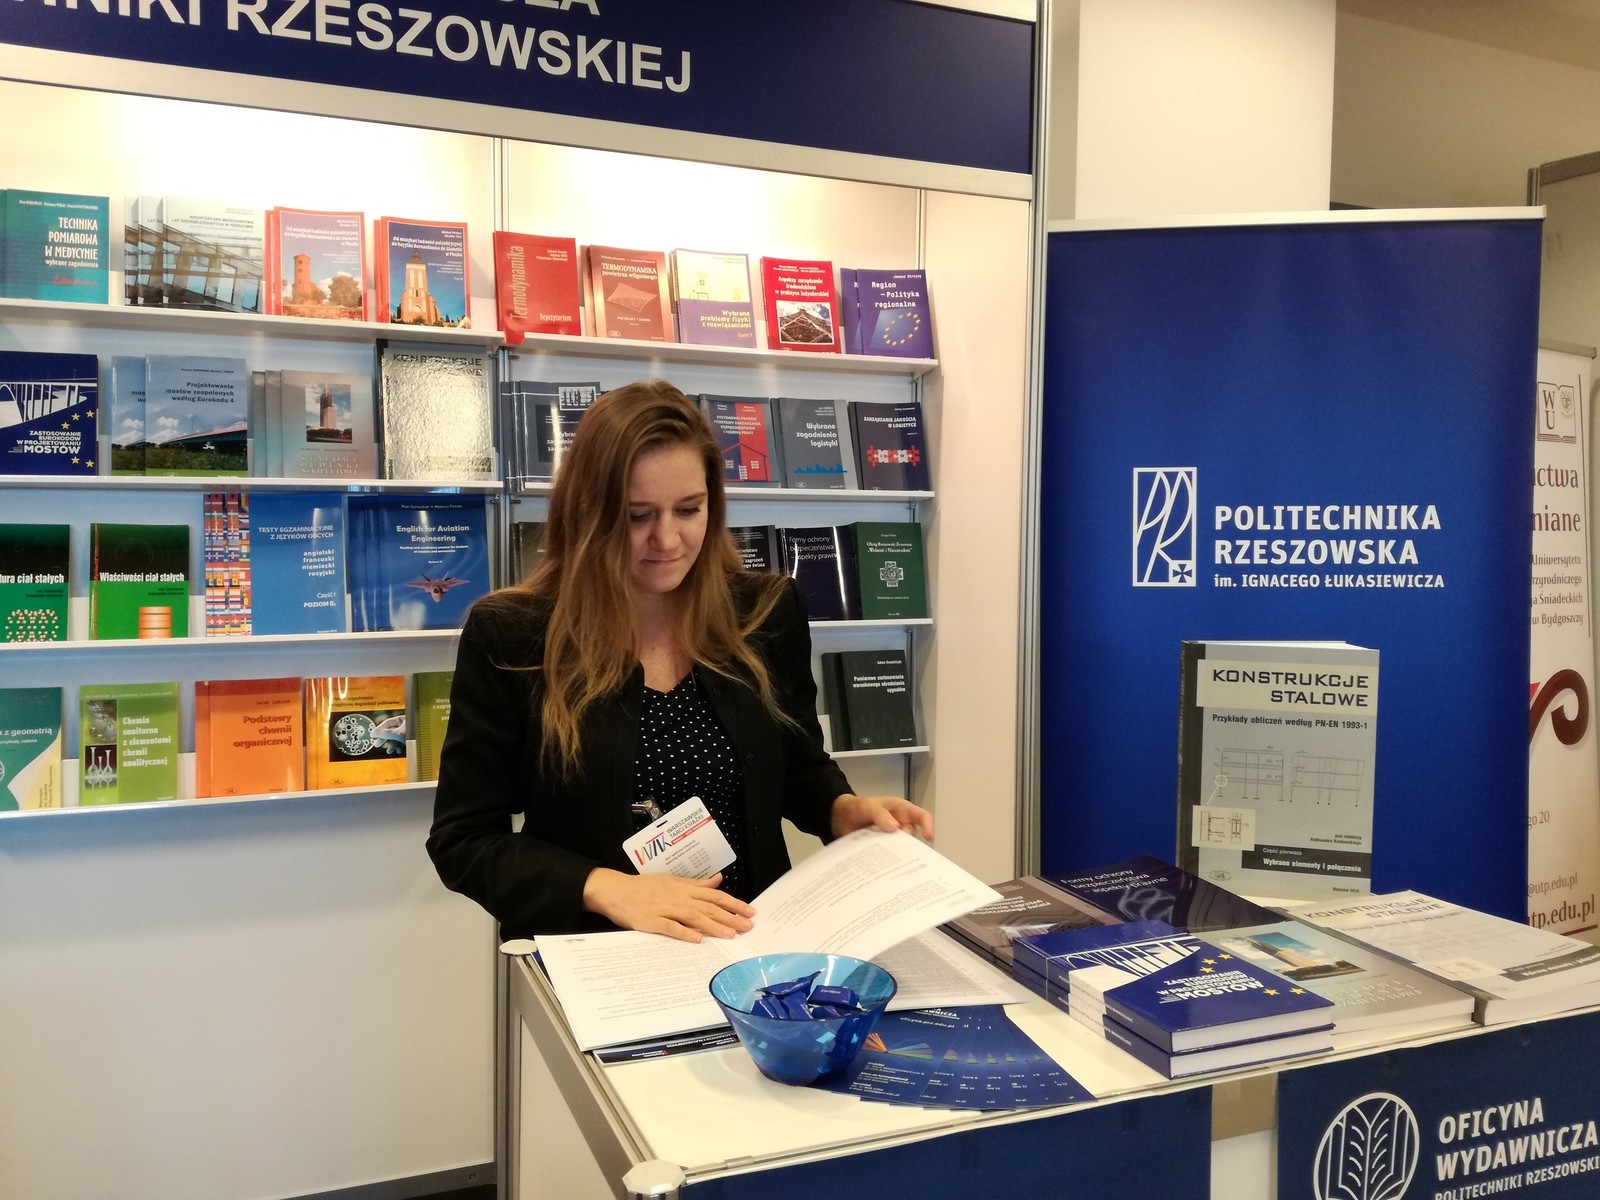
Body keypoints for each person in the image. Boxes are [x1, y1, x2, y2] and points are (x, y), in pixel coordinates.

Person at [426, 380, 932, 943]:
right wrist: (603, 887)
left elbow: (797, 765)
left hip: (752, 939)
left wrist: (840, 809)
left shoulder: (764, 613)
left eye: (688, 509)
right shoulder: (512, 636)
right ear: (588, 513)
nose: (667, 540)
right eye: (636, 516)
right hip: (602, 951)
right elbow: (464, 840)